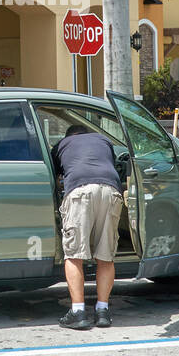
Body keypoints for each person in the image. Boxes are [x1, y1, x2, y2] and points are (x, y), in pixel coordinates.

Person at [52, 124, 125, 329]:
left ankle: (78, 312)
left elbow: (56, 176)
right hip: (110, 191)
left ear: (70, 137)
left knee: (74, 255)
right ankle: (102, 311)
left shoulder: (62, 145)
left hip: (80, 191)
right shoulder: (103, 140)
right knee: (105, 255)